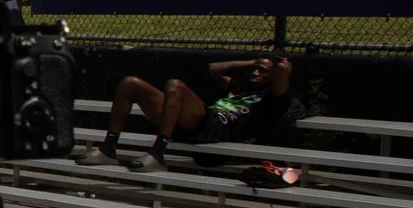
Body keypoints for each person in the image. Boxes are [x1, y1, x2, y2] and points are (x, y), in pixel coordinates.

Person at [77, 55, 294, 171]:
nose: (255, 72)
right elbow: (213, 68)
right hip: (192, 124)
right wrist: (253, 60)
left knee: (175, 85)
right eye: (254, 69)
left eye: (262, 71)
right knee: (130, 83)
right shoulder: (238, 86)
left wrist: (279, 65)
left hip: (215, 131)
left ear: (273, 75)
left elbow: (283, 73)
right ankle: (108, 149)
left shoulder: (272, 98)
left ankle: (158, 154)